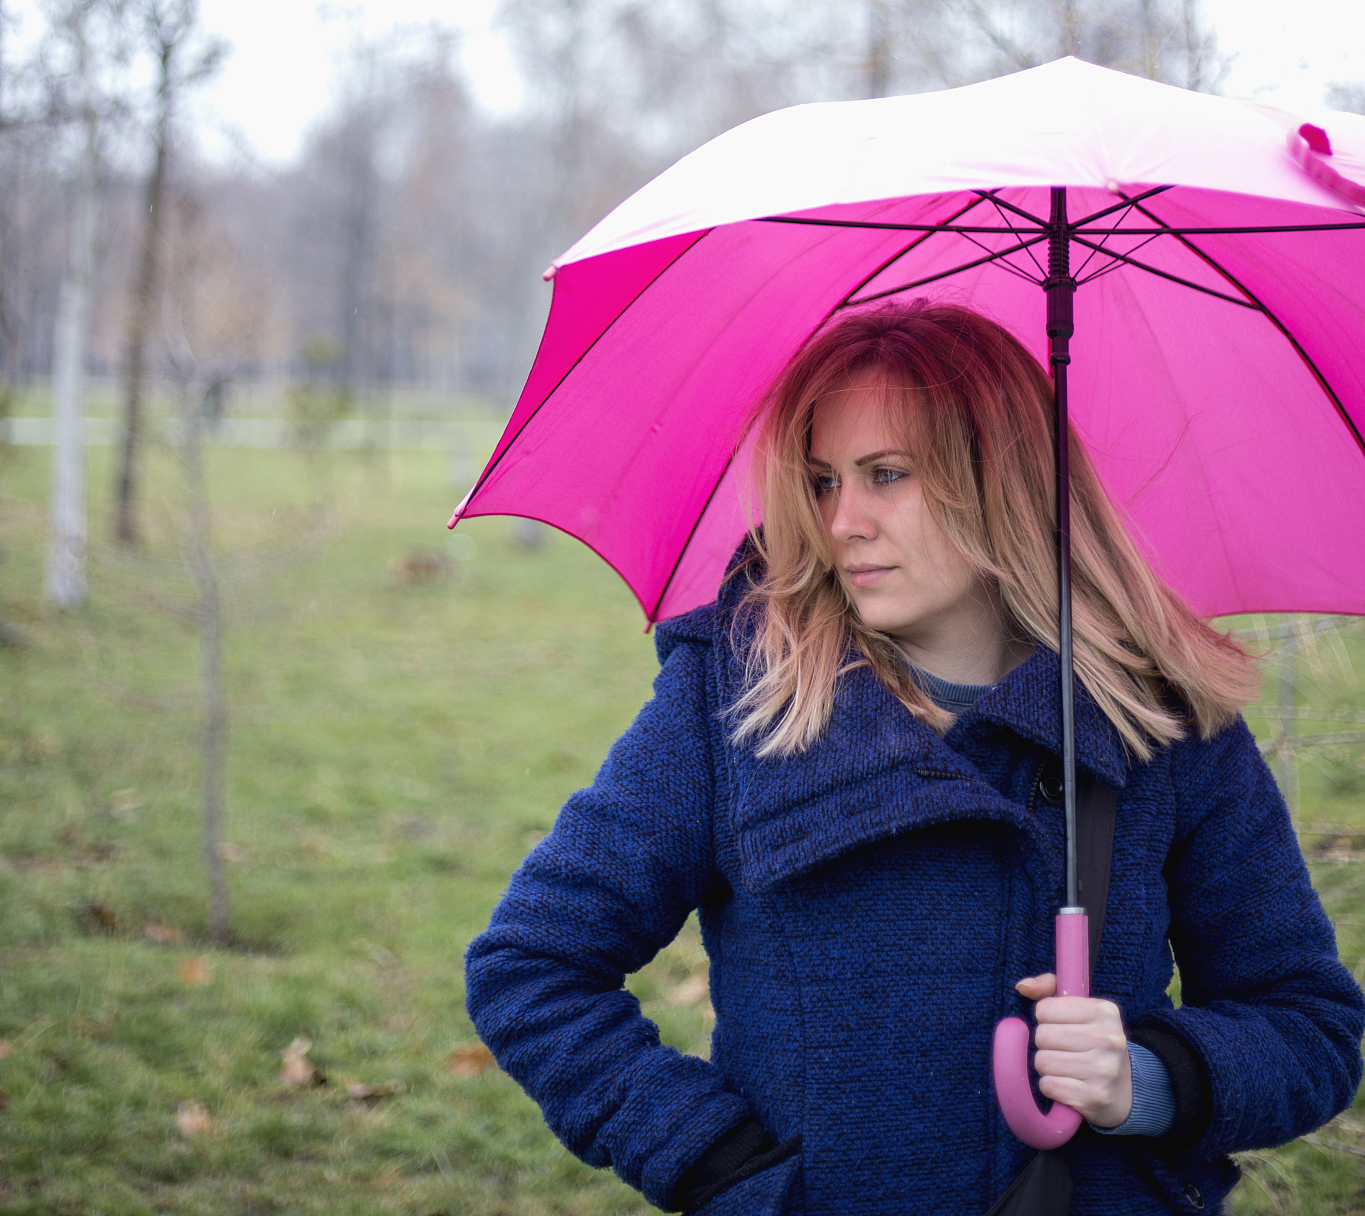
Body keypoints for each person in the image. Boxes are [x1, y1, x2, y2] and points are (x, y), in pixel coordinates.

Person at [464, 303, 1364, 1215]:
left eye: (884, 475)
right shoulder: (735, 703)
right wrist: (723, 1172)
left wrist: (1147, 1079)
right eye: (820, 482)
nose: (842, 521)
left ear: (1001, 480)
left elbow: (1306, 1026)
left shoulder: (1159, 719)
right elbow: (533, 966)